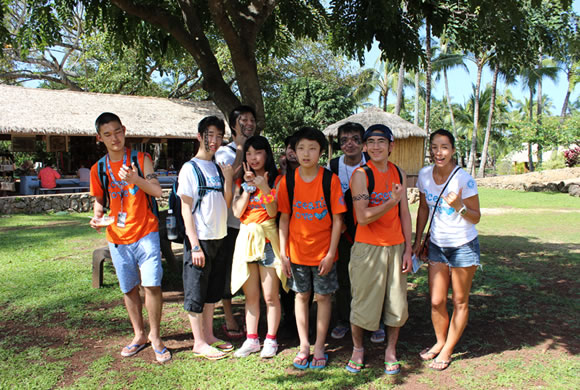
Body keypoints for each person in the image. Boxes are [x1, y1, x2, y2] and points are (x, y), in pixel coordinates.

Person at [89, 112, 171, 363]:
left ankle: (156, 336)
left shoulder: (141, 159)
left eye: (117, 131)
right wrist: (97, 216)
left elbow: (156, 191)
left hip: (146, 232)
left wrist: (136, 179)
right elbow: (99, 202)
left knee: (152, 285)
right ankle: (139, 335)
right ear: (99, 138)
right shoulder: (99, 168)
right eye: (107, 134)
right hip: (117, 236)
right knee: (128, 288)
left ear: (124, 130)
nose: (114, 138)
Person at [345, 124, 412, 375]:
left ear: (391, 146)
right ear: (364, 146)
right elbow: (363, 217)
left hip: (396, 247)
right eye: (370, 142)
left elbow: (404, 213)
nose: (375, 146)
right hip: (367, 248)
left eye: (381, 141)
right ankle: (357, 349)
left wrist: (408, 249)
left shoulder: (399, 173)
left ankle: (390, 350)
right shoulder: (361, 175)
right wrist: (391, 200)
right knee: (362, 302)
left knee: (397, 303)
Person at [277, 127, 346, 370]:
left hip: (323, 255)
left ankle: (319, 346)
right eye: (301, 148)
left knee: (324, 297)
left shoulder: (330, 180)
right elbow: (283, 219)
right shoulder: (288, 181)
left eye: (313, 148)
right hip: (296, 254)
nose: (307, 153)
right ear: (294, 152)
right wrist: (283, 253)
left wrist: (330, 254)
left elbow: (338, 220)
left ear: (321, 152)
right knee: (301, 296)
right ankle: (304, 345)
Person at [413, 129, 481, 371]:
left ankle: (448, 349)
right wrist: (418, 239)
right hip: (437, 245)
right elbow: (423, 208)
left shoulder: (464, 179)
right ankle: (440, 341)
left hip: (463, 245)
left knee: (460, 300)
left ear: (452, 150)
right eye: (434, 147)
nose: (438, 152)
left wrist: (459, 205)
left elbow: (476, 217)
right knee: (436, 300)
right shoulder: (424, 175)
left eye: (443, 147)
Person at [178, 115, 235, 360]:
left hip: (219, 236)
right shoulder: (189, 168)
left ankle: (209, 335)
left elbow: (227, 202)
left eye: (219, 136)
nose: (214, 141)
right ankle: (198, 342)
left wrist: (230, 178)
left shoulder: (218, 168)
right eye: (210, 135)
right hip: (199, 240)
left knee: (212, 290)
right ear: (199, 136)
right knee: (195, 290)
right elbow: (185, 209)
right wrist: (194, 246)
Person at [230, 136, 286, 358]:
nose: (253, 158)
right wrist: (247, 188)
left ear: (267, 154)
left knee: (271, 295)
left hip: (268, 238)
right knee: (251, 295)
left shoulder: (278, 180)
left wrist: (263, 186)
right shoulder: (240, 182)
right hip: (246, 238)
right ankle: (252, 339)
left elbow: (273, 211)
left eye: (258, 153)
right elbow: (236, 212)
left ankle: (271, 339)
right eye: (249, 154)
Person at [214, 105, 257, 340]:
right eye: (243, 120)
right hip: (231, 223)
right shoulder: (224, 152)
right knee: (228, 270)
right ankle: (229, 315)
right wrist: (240, 147)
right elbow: (231, 176)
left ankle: (253, 316)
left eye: (252, 120)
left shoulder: (258, 148)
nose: (249, 123)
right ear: (233, 125)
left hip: (254, 223)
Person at [327, 122, 369, 341]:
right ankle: (344, 319)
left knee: (370, 278)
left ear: (363, 142)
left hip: (369, 231)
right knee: (343, 278)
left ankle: (373, 321)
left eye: (355, 139)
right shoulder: (332, 166)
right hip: (341, 232)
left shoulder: (372, 164)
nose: (350, 144)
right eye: (344, 140)